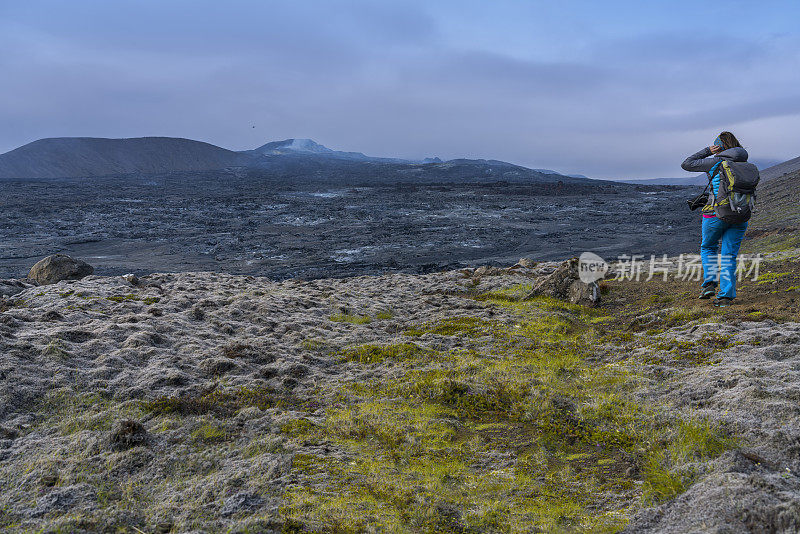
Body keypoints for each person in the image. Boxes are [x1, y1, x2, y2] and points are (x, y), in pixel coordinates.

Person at [681, 131, 749, 307]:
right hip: (741, 214)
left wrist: (707, 150)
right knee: (729, 255)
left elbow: (686, 164)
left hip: (715, 213)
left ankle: (710, 284)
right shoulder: (744, 162)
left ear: (718, 146)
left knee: (708, 247)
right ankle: (726, 297)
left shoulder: (715, 160)